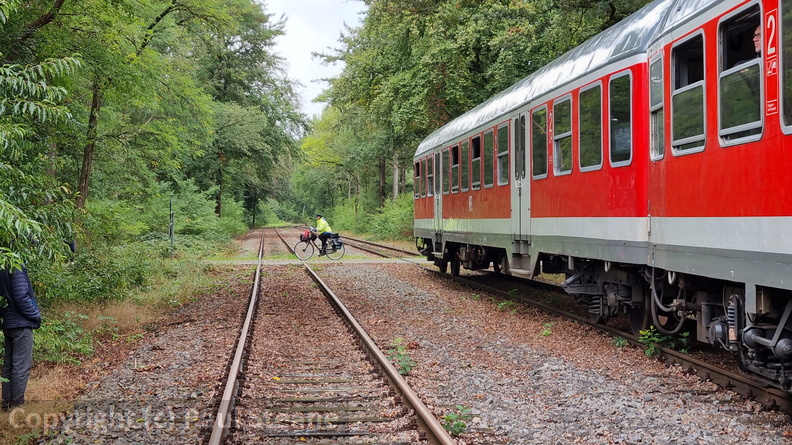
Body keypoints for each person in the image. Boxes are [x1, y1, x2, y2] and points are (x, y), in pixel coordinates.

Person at [0, 265, 41, 410]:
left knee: (9, 365)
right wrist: (35, 315)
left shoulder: (3, 264)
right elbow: (21, 296)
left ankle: (6, 405)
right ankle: (17, 406)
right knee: (20, 367)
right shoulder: (16, 265)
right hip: (21, 324)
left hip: (9, 323)